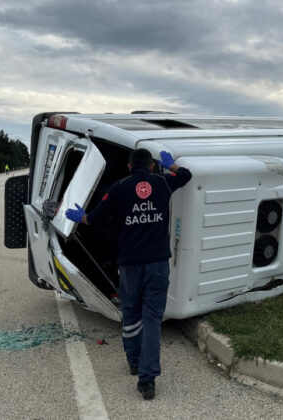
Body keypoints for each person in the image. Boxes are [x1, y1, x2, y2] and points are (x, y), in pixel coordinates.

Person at [65, 149, 192, 400]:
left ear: (128, 166)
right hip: (157, 264)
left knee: (131, 314)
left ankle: (134, 362)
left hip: (130, 265)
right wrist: (172, 165)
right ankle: (147, 381)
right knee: (152, 319)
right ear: (152, 166)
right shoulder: (163, 182)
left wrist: (82, 217)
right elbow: (186, 175)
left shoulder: (118, 188)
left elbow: (95, 218)